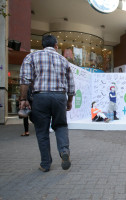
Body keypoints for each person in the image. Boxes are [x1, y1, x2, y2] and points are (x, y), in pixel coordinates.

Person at [19, 35, 75, 172]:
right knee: (61, 126)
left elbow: (25, 80)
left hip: (40, 97)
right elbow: (71, 85)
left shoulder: (32, 57)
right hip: (59, 97)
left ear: (42, 45)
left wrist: (23, 99)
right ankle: (64, 151)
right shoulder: (64, 60)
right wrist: (69, 101)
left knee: (42, 131)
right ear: (56, 45)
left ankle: (45, 164)